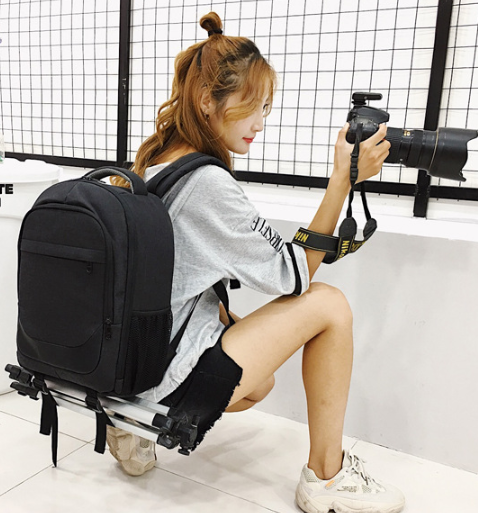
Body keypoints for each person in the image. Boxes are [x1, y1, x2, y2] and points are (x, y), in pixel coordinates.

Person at [106, 12, 405, 513]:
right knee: (329, 304)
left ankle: (133, 428)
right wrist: (342, 181)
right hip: (165, 375)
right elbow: (294, 275)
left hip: (128, 365)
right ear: (208, 100)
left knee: (258, 384)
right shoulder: (207, 184)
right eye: (252, 107)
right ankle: (327, 479)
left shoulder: (155, 161)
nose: (260, 124)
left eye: (266, 108)